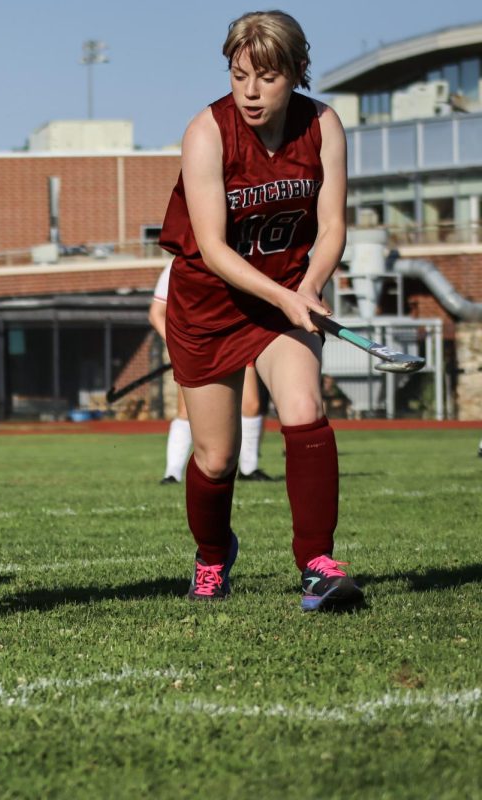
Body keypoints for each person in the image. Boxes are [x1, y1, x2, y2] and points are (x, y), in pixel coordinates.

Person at [158, 12, 364, 611]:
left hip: (285, 298)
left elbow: (332, 226)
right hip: (209, 304)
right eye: (239, 74)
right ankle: (212, 556)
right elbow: (215, 249)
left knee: (304, 409)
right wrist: (286, 295)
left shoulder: (323, 125)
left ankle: (318, 566)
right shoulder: (207, 131)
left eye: (267, 77)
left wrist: (313, 284)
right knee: (215, 457)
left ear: (298, 74)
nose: (250, 91)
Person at [148, 263, 272, 484]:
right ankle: (172, 473)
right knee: (186, 411)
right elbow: (156, 314)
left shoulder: (240, 260)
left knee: (251, 405)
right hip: (197, 347)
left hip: (238, 343)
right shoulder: (178, 266)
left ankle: (249, 469)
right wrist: (178, 344)